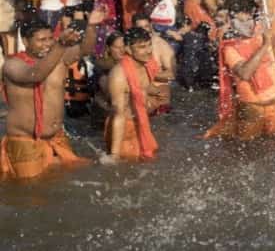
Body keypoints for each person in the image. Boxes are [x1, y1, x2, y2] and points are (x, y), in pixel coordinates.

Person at [1, 9, 105, 179]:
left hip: (57, 140)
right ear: (25, 41)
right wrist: (60, 45)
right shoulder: (12, 65)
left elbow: (85, 50)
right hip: (26, 143)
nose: (48, 44)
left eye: (50, 38)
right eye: (41, 40)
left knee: (64, 184)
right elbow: (35, 75)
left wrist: (92, 26)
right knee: (31, 194)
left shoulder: (59, 57)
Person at [204, 0, 275, 140]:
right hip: (252, 109)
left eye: (248, 15)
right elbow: (244, 73)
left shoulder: (262, 33)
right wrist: (265, 46)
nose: (245, 20)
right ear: (231, 19)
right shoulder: (229, 47)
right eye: (240, 16)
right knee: (249, 152)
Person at [103, 27, 159, 162]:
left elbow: (144, 90)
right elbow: (118, 115)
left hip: (141, 123)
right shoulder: (119, 76)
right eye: (142, 47)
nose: (148, 51)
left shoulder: (148, 65)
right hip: (123, 129)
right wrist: (114, 155)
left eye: (149, 45)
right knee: (128, 167)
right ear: (127, 49)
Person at [132, 14, 176, 115]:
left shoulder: (161, 45)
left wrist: (150, 72)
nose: (145, 30)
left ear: (151, 26)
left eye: (146, 26)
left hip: (158, 89)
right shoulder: (128, 45)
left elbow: (172, 74)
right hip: (137, 88)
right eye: (140, 28)